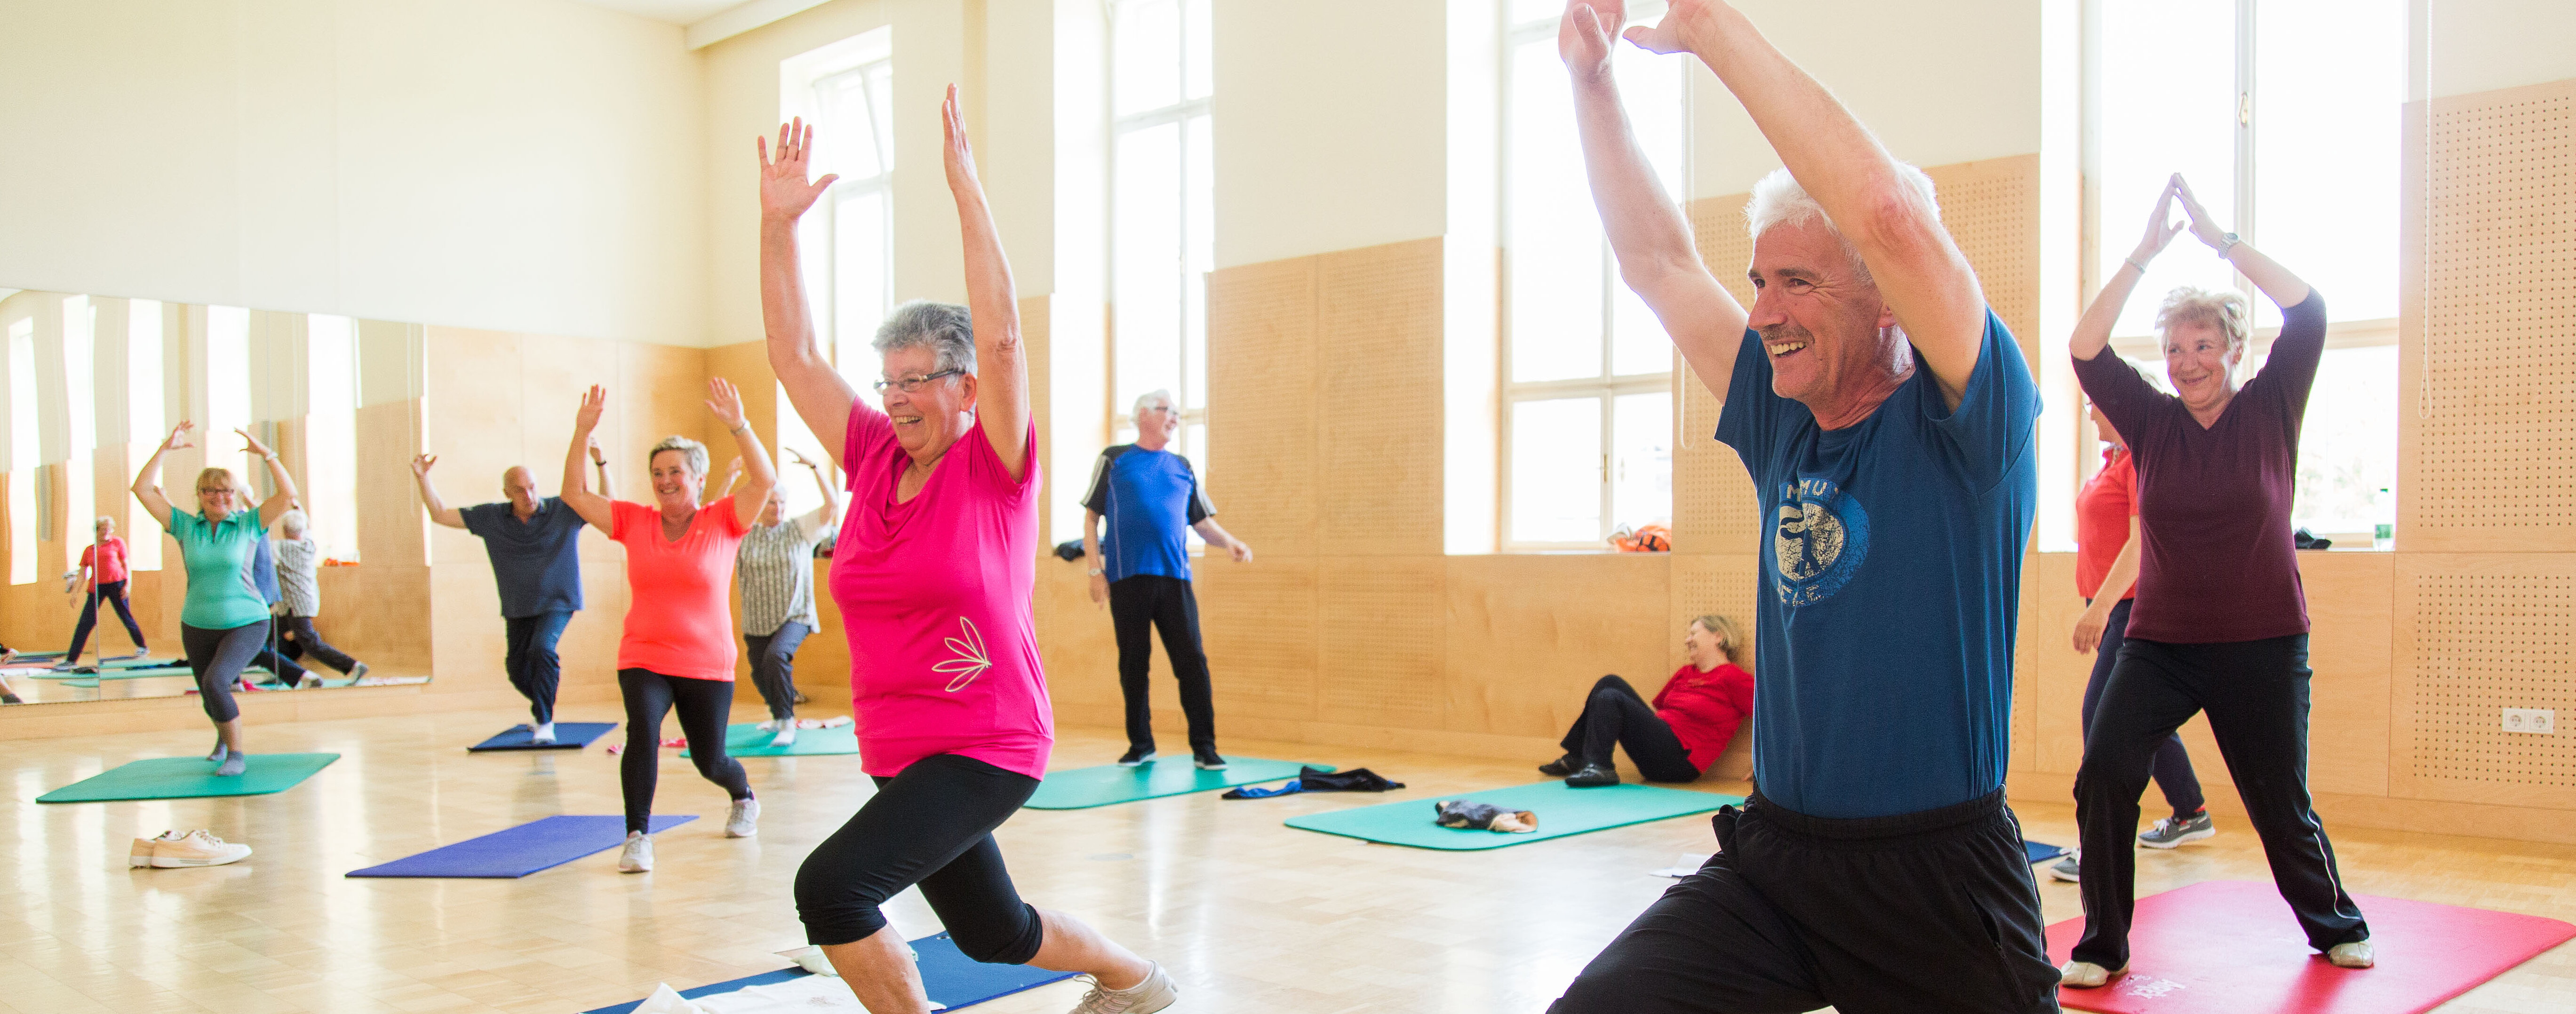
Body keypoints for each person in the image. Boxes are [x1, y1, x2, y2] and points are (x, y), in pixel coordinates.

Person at [1545, 3, 2058, 1011]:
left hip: (1936, 880)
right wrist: (1591, 80)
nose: (1764, 311)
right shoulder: (1783, 420)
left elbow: (1890, 216)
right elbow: (1655, 264)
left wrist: (1706, 28)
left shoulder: (1970, 418)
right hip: (1777, 864)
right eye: (1758, 282)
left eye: (1797, 282)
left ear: (1886, 304)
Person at [760, 91, 1180, 1014]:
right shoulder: (871, 454)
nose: (899, 397)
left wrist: (966, 193)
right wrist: (777, 227)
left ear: (965, 388)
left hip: (987, 741)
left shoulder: (995, 464)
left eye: (921, 380)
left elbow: (1002, 334)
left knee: (832, 889)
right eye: (890, 380)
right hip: (897, 745)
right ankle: (1135, 979)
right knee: (995, 934)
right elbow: (793, 355)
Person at [2061, 176, 2373, 986]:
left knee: (2280, 804)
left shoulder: (2272, 406)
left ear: (2234, 351)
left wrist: (2218, 238)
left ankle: (2334, 923)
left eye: (2204, 346)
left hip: (2264, 645)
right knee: (2105, 774)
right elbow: (2086, 349)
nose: (2188, 361)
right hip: (2161, 644)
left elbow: (2310, 312)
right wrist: (2141, 254)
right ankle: (2103, 943)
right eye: (2175, 349)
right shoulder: (2153, 423)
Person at [558, 380, 774, 872]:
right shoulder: (634, 521)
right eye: (658, 472)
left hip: (706, 660)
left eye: (675, 470)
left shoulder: (724, 520)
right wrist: (581, 432)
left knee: (709, 760)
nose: (665, 479)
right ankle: (638, 834)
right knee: (642, 730)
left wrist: (738, 425)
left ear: (698, 477)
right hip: (644, 654)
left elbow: (763, 480)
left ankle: (742, 794)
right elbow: (575, 494)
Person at [2048, 398, 2210, 884]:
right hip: (2111, 605)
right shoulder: (2111, 463)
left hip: (2132, 605)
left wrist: (2100, 608)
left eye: (2098, 406)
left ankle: (2096, 845)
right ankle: (2191, 811)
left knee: (2103, 718)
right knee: (2138, 718)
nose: (2092, 414)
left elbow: (2143, 544)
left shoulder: (2142, 459)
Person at [1078, 388, 1254, 770]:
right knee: (1134, 663)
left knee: (1192, 660)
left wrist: (1230, 542)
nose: (1175, 417)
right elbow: (1092, 518)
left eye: (1177, 412)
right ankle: (1141, 744)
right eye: (1167, 410)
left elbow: (1201, 521)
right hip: (1127, 578)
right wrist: (1096, 571)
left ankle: (1205, 747)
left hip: (1174, 579)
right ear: (1144, 415)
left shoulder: (1183, 466)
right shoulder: (1114, 460)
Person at [130, 422, 301, 777]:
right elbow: (142, 489)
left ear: (235, 494)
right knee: (210, 693)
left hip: (247, 621)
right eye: (209, 491)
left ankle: (236, 754)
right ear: (200, 494)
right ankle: (223, 738)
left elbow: (288, 496)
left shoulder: (249, 524)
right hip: (196, 622)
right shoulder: (184, 526)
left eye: (225, 491)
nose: (218, 496)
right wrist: (165, 448)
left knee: (215, 682)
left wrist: (268, 455)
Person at [412, 446, 610, 740]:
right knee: (516, 669)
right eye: (519, 491)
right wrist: (422, 479)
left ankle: (545, 722)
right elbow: (440, 514)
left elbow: (605, 504)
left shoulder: (561, 510)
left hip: (558, 601)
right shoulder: (491, 518)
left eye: (532, 488)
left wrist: (600, 462)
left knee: (542, 650)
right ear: (507, 494)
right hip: (518, 606)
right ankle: (543, 704)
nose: (528, 496)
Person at [1539, 615, 1753, 788]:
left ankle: (1600, 766)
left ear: (1718, 636)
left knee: (1610, 697)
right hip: (1658, 748)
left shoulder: (1733, 678)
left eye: (1694, 633)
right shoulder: (1686, 673)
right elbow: (1654, 711)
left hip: (1681, 762)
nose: (1688, 640)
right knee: (1609, 682)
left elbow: (1772, 719)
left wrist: (1768, 765)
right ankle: (1580, 757)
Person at [733, 447, 840, 748]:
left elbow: (832, 504)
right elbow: (715, 515)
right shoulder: (745, 533)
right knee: (760, 673)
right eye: (770, 503)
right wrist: (729, 479)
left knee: (776, 657)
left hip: (796, 614)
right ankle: (778, 717)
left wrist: (816, 467)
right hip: (757, 618)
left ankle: (788, 721)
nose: (777, 509)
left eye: (781, 503)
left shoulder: (799, 530)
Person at [271, 509, 370, 686]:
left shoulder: (281, 547)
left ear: (285, 530)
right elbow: (306, 527)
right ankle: (282, 671)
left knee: (310, 642)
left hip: (295, 604)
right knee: (270, 634)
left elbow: (261, 536)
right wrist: (298, 508)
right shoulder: (309, 546)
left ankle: (352, 666)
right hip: (299, 603)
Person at [57, 516, 151, 669]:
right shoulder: (89, 550)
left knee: (126, 616)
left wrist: (128, 585)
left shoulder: (117, 543)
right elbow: (82, 574)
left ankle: (142, 646)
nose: (108, 532)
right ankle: (72, 659)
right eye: (104, 529)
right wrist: (75, 593)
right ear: (97, 530)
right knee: (85, 623)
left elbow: (126, 565)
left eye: (110, 529)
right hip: (97, 588)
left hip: (117, 584)